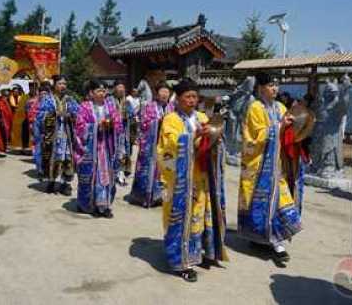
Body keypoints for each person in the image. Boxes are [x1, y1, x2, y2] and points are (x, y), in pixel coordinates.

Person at [157, 78, 228, 282]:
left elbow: (213, 137)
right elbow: (170, 145)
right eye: (187, 96)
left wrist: (216, 138)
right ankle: (181, 262)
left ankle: (201, 252)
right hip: (181, 180)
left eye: (194, 97)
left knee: (200, 215)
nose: (191, 100)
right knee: (181, 218)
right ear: (177, 99)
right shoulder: (171, 119)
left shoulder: (202, 116)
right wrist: (194, 135)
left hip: (202, 175)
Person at [238, 72, 301, 267]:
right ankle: (265, 240)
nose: (275, 89)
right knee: (261, 202)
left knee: (280, 200)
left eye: (277, 85)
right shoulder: (254, 108)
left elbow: (286, 132)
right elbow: (253, 138)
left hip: (278, 164)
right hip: (259, 165)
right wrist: (279, 126)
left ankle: (276, 241)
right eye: (271, 85)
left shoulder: (281, 107)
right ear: (261, 87)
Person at [74, 79, 125, 218]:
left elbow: (119, 125)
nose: (102, 93)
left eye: (104, 90)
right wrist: (96, 127)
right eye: (99, 91)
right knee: (91, 177)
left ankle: (103, 205)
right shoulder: (85, 107)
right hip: (92, 149)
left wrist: (112, 125)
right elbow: (79, 127)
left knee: (106, 177)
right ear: (91, 93)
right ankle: (89, 204)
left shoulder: (110, 106)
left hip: (107, 148)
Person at [129, 81, 174, 207]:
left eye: (167, 92)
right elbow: (144, 123)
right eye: (162, 92)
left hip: (166, 145)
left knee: (166, 169)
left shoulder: (172, 108)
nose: (164, 94)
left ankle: (162, 196)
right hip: (151, 144)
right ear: (157, 94)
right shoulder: (150, 106)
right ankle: (144, 195)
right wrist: (157, 123)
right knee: (148, 169)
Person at [34, 76, 79, 195]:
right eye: (60, 83)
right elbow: (39, 115)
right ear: (54, 85)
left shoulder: (70, 100)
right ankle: (52, 181)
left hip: (67, 133)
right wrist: (54, 114)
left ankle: (65, 183)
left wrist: (71, 115)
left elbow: (79, 113)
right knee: (53, 157)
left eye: (64, 84)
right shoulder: (48, 100)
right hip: (53, 134)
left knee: (67, 158)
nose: (63, 86)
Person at [110, 80, 134, 185]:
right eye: (119, 87)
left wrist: (127, 115)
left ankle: (120, 174)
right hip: (111, 133)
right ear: (114, 88)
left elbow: (132, 114)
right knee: (112, 153)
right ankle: (111, 174)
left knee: (123, 153)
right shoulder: (109, 100)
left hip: (124, 132)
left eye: (123, 87)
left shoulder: (127, 101)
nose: (121, 89)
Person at [10, 85, 32, 153]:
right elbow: (21, 107)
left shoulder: (38, 96)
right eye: (31, 88)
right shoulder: (25, 97)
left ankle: (31, 148)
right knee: (25, 133)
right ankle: (24, 148)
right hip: (24, 117)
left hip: (34, 119)